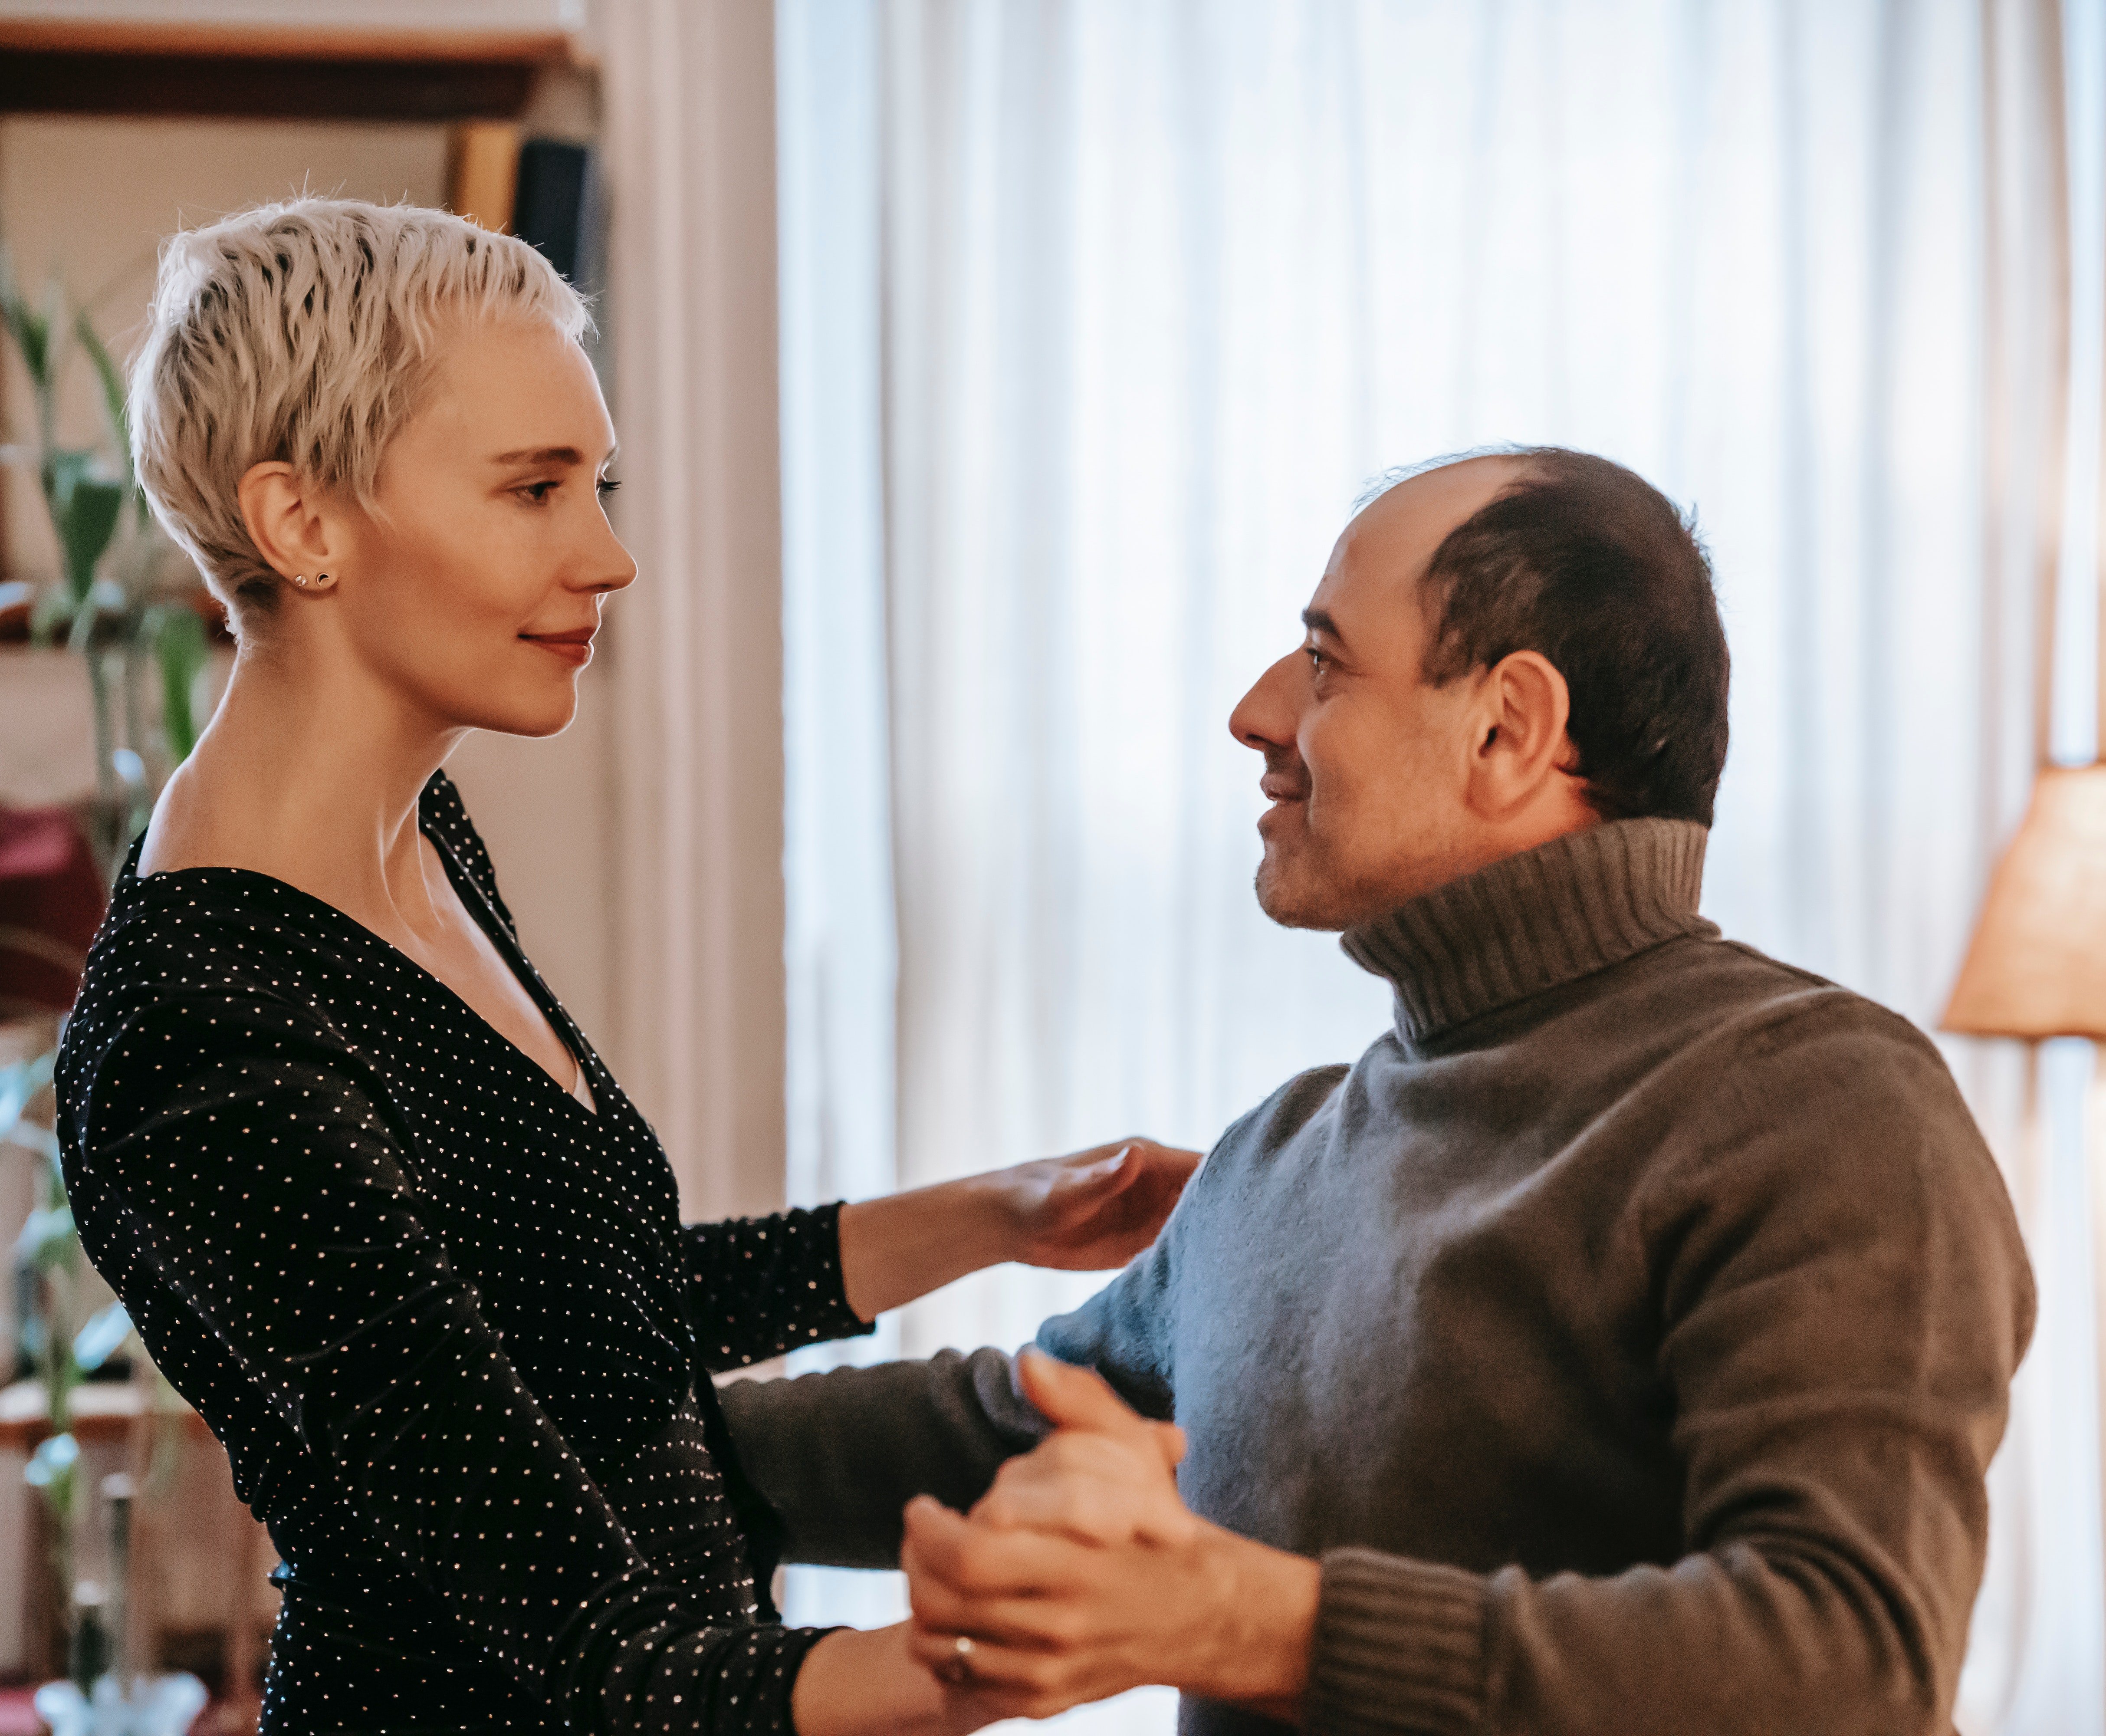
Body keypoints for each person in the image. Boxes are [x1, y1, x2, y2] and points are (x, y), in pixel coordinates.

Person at [53, 197, 1199, 1736]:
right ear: (302, 524)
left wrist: (1006, 1212)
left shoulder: (413, 840)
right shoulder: (206, 1037)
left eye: (596, 483)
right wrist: (1093, 1631)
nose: (610, 554)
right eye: (534, 491)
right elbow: (614, 1673)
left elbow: (574, 1303)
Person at [718, 447, 2040, 1735]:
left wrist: (1244, 1624)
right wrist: (534, 1431)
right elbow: (991, 1436)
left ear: (1507, 727)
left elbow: (1847, 1667)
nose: (1257, 713)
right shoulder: (1280, 1154)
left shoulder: (1823, 1109)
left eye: (1324, 662)